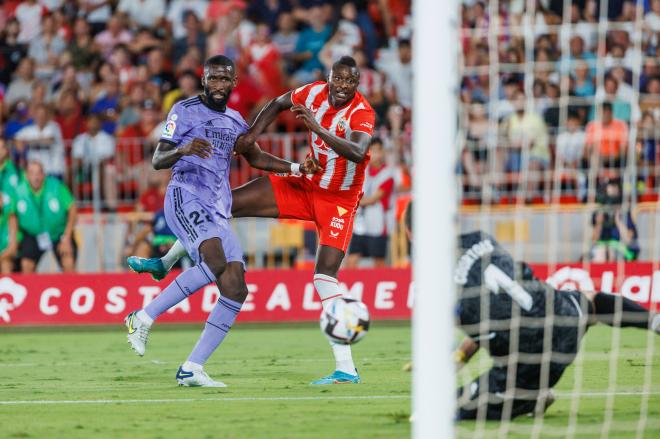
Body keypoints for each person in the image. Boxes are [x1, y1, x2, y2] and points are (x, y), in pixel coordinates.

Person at [128, 55, 376, 385]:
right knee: (225, 207)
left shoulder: (362, 113)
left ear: (357, 85)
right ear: (329, 78)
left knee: (321, 277)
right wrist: (253, 135)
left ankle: (345, 367)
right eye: (337, 80)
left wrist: (313, 130)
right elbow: (277, 103)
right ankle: (165, 263)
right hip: (303, 184)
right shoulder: (312, 93)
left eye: (349, 82)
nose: (342, 87)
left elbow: (357, 152)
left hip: (339, 200)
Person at [403, 201, 660, 421]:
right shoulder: (481, 239)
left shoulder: (437, 285)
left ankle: (528, 398)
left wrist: (448, 361)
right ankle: (654, 320)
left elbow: (484, 323)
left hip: (529, 365)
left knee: (434, 412)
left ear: (411, 234)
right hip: (563, 323)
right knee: (592, 301)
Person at [14, 160, 77, 273]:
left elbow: (72, 209)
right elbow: (12, 216)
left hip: (58, 233)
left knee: (68, 261)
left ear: (44, 175)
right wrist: (15, 239)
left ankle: (70, 288)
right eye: (32, 173)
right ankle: (32, 290)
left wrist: (66, 237)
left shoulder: (56, 187)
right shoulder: (19, 192)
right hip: (33, 235)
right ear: (27, 176)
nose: (36, 177)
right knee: (26, 264)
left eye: (38, 173)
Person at [346, 138, 394, 268]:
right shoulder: (362, 171)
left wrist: (353, 202)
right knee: (351, 261)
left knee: (379, 263)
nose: (374, 154)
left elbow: (374, 198)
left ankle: (383, 285)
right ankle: (350, 287)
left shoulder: (388, 174)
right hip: (361, 224)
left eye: (377, 151)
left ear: (382, 152)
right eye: (371, 151)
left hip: (377, 224)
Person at [590, 178, 639, 262]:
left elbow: (629, 239)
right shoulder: (599, 213)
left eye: (614, 188)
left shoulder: (625, 213)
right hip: (602, 248)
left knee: (611, 251)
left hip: (621, 249)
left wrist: (618, 221)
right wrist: (599, 223)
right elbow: (594, 239)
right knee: (599, 253)